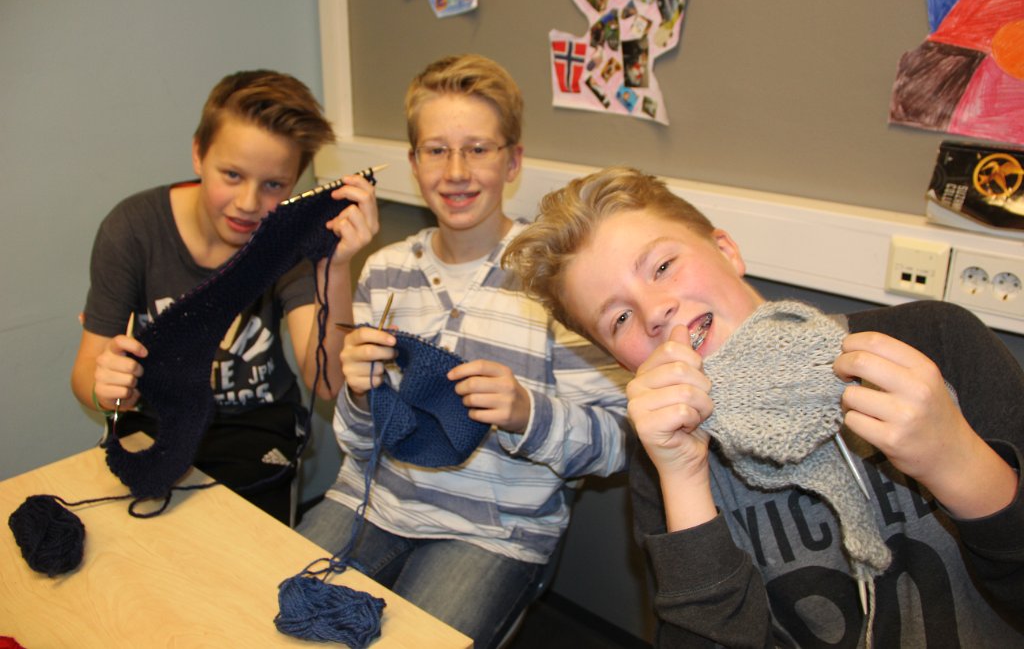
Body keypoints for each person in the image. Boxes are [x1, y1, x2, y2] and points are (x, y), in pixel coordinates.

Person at [502, 166, 1024, 647]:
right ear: (619, 360)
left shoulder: (934, 341)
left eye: (662, 266)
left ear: (726, 251)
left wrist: (956, 461)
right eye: (618, 319)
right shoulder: (660, 463)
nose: (655, 311)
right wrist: (684, 479)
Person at [297, 54, 630, 648]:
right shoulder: (385, 272)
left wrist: (527, 413)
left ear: (513, 161)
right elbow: (359, 444)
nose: (456, 172)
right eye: (436, 150)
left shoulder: (557, 280)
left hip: (493, 532)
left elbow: (617, 445)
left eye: (477, 149)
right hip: (371, 503)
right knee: (266, 610)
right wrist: (359, 395)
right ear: (413, 162)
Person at [70, 70, 379, 524]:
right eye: (232, 175)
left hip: (256, 428)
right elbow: (85, 375)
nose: (248, 203)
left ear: (296, 181)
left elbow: (328, 383)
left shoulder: (285, 242)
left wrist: (333, 266)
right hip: (153, 420)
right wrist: (108, 389)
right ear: (199, 153)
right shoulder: (133, 229)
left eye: (274, 185)